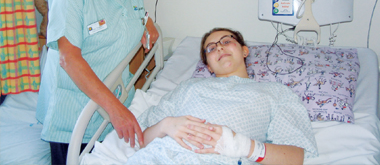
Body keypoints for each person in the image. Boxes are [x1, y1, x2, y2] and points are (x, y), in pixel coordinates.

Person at [36, 0, 158, 164]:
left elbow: (129, 11)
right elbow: (68, 59)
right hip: (75, 116)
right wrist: (116, 110)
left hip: (114, 103)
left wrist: (147, 21)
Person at [124, 28, 318, 164]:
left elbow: (295, 158)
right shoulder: (189, 87)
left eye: (226, 41)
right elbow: (141, 140)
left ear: (244, 50)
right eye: (211, 48)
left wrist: (242, 146)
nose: (219, 48)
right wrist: (165, 125)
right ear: (208, 65)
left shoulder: (274, 93)